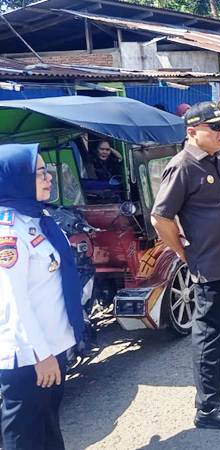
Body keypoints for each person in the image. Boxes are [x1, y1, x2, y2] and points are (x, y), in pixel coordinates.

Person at [151, 102, 220, 430]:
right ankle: (208, 407)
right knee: (207, 333)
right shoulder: (183, 166)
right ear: (192, 132)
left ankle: (218, 378)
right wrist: (182, 252)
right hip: (209, 264)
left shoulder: (216, 159)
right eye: (216, 127)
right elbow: (160, 217)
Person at [0, 144, 84, 449]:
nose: (48, 178)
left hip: (52, 344)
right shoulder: (8, 231)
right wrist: (41, 356)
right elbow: (14, 301)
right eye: (39, 173)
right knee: (25, 436)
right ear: (16, 179)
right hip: (29, 356)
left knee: (48, 427)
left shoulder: (37, 216)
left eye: (47, 171)